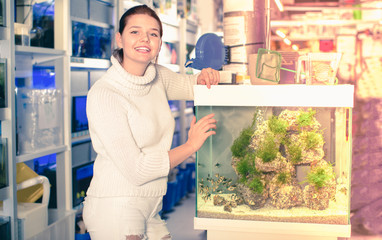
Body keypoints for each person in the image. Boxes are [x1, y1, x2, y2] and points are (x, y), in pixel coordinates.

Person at [82, 4, 220, 240]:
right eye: (135, 32)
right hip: (116, 206)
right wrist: (190, 146)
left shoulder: (157, 75)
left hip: (152, 205)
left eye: (153, 34)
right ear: (119, 38)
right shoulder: (105, 94)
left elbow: (192, 86)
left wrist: (205, 76)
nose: (144, 39)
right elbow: (137, 170)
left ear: (159, 43)